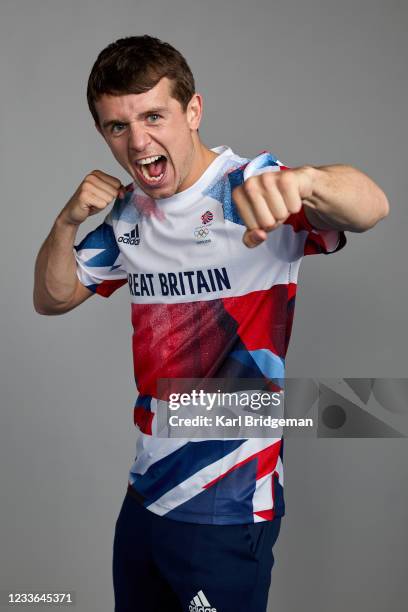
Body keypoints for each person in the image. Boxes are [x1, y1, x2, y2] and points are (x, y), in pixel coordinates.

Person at [33, 35, 389, 612]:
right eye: (117, 126)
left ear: (193, 111)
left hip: (227, 503)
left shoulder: (252, 185)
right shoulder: (129, 213)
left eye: (154, 116)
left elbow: (371, 206)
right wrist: (66, 221)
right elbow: (52, 298)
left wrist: (307, 182)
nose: (139, 141)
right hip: (146, 495)